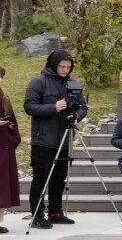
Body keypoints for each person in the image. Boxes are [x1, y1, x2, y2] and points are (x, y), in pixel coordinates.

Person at [24, 49, 87, 229]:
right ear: (54, 64)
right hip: (43, 139)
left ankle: (56, 212)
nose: (65, 70)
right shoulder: (39, 82)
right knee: (41, 177)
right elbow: (29, 106)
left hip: (64, 138)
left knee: (59, 177)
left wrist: (76, 115)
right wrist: (53, 107)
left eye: (68, 67)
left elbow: (83, 107)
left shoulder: (73, 84)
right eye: (62, 66)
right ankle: (37, 214)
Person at [0, 65, 21, 234]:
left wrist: (13, 139)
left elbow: (12, 120)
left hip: (4, 145)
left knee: (2, 186)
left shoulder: (4, 97)